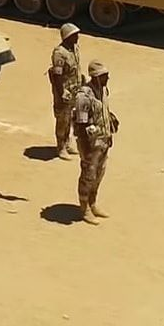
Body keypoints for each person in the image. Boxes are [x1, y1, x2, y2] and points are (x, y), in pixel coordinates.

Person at [72, 61, 117, 223]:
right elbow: (81, 125)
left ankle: (93, 203)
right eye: (105, 76)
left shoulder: (103, 91)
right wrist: (87, 151)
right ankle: (84, 209)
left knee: (99, 173)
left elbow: (103, 111)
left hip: (103, 140)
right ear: (96, 77)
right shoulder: (84, 97)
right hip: (90, 144)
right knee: (88, 175)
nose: (108, 78)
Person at [48, 24, 83, 157]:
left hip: (75, 89)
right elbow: (57, 75)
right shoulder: (59, 53)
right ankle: (61, 146)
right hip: (64, 91)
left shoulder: (75, 49)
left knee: (70, 118)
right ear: (67, 37)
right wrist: (62, 92)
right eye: (74, 35)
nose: (77, 37)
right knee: (62, 119)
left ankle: (67, 143)